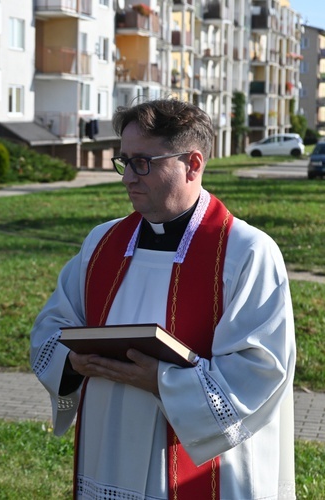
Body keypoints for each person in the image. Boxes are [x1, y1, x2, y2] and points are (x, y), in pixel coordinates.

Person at [30, 99, 296, 499]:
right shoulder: (102, 244)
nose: (127, 179)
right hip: (110, 453)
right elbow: (51, 328)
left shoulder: (246, 253)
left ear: (193, 164)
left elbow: (260, 372)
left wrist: (161, 380)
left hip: (208, 472)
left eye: (143, 162)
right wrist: (72, 361)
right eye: (124, 161)